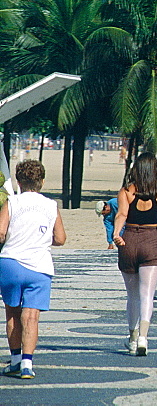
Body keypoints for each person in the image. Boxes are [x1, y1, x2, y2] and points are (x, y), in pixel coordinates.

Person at [0, 160, 66, 379]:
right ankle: (28, 364)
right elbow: (60, 238)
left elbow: (0, 233)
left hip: (11, 262)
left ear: (18, 181)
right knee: (32, 317)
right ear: (42, 182)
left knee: (12, 311)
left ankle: (16, 359)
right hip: (40, 265)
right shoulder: (51, 205)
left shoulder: (11, 202)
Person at [113, 153, 157, 355]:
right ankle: (143, 338)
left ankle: (132, 336)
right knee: (147, 293)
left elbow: (122, 214)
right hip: (151, 239)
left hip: (129, 238)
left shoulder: (127, 191)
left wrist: (115, 234)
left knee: (132, 296)